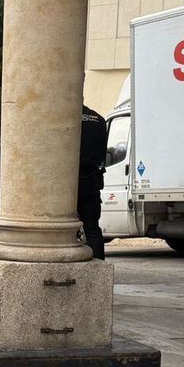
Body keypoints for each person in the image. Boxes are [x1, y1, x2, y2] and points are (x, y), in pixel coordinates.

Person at [78, 105, 107, 259]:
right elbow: (102, 153)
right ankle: (99, 266)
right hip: (91, 179)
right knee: (92, 228)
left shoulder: (64, 117)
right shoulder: (99, 119)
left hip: (68, 180)